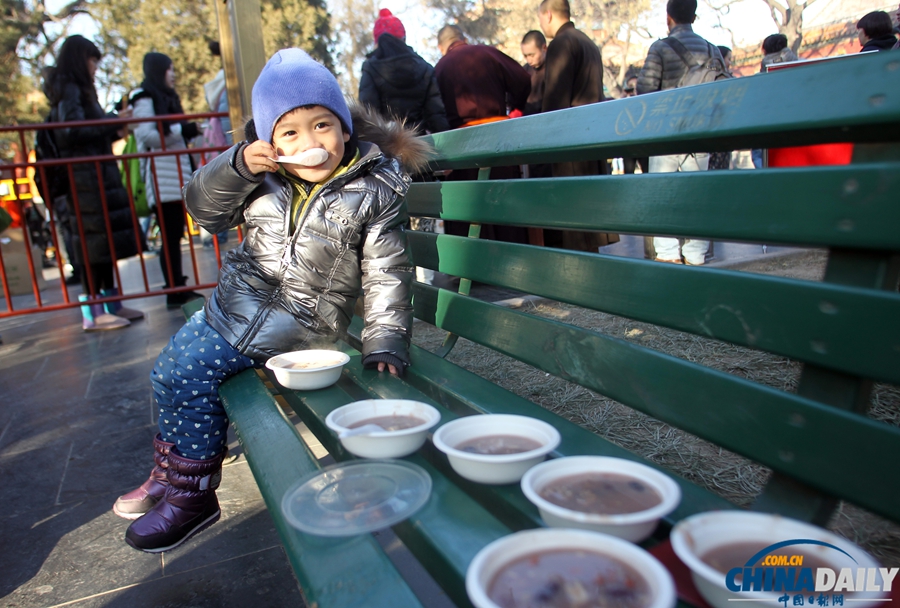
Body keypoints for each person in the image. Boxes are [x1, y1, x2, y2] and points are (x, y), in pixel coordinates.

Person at [114, 48, 429, 553]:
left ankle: (193, 496)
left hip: (300, 324)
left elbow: (386, 269)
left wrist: (385, 340)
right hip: (237, 305)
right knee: (166, 371)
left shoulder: (372, 188)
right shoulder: (259, 178)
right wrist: (235, 165)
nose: (311, 143)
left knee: (190, 374)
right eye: (291, 132)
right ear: (270, 142)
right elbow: (204, 211)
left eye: (323, 125)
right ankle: (171, 471)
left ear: (346, 130)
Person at [44, 35, 142, 330]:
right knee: (91, 243)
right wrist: (113, 121)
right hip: (84, 177)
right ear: (80, 59)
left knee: (104, 241)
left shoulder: (81, 89)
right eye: (92, 61)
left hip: (96, 172)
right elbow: (71, 131)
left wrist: (114, 125)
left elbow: (89, 130)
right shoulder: (69, 88)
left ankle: (111, 303)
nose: (95, 68)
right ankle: (93, 313)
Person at [637, 0, 724, 265]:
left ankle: (668, 256)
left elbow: (645, 91)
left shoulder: (660, 48)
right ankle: (696, 257)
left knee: (662, 198)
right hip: (700, 134)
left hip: (667, 134)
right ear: (694, 16)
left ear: (668, 17)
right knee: (697, 198)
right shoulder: (712, 49)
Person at [434, 24, 531, 244]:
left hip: (461, 148)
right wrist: (515, 106)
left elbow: (434, 112)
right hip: (499, 139)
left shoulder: (440, 68)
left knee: (471, 216)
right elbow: (523, 79)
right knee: (506, 207)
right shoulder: (487, 53)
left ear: (442, 47)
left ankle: (475, 274)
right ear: (463, 38)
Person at [538, 0, 618, 252]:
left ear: (548, 15)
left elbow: (555, 99)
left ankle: (579, 278)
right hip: (592, 134)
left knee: (574, 222)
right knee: (589, 219)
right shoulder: (587, 41)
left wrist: (542, 135)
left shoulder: (562, 43)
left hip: (570, 138)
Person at [131, 53, 204, 308]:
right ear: (159, 70)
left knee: (175, 234)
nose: (173, 74)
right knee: (170, 236)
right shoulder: (143, 97)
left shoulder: (165, 98)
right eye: (169, 69)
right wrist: (180, 131)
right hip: (160, 178)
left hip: (174, 176)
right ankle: (173, 290)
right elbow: (147, 135)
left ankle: (178, 285)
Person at [359, 9, 450, 136]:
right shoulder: (424, 67)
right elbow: (436, 116)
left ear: (378, 42)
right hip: (419, 145)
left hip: (386, 147)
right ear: (403, 38)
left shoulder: (371, 68)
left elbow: (367, 117)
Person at [521, 30, 548, 117]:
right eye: (525, 56)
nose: (529, 60)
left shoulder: (553, 69)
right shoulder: (524, 70)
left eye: (532, 55)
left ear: (544, 48)